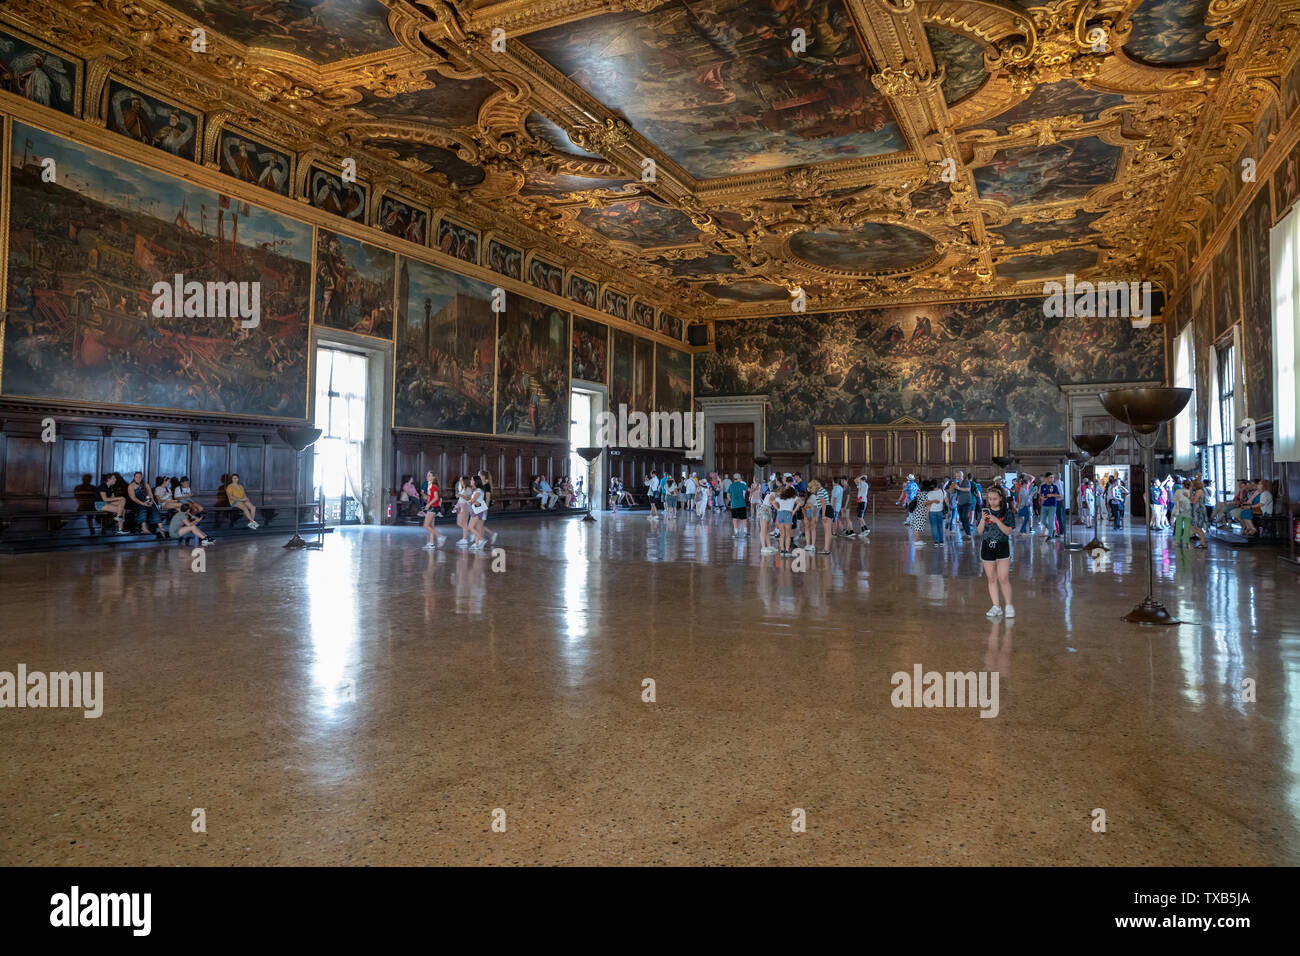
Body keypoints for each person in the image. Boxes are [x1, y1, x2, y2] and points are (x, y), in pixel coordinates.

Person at [977, 487, 1015, 618]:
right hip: (987, 546)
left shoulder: (1008, 513)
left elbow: (1008, 531)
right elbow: (980, 531)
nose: (991, 502)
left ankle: (1009, 605)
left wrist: (997, 520)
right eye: (989, 499)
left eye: (994, 499)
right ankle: (996, 606)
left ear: (1000, 499)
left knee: (1003, 578)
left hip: (1002, 546)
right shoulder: (984, 513)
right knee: (991, 578)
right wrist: (982, 519)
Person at [420, 476, 447, 550]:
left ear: (434, 477)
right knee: (431, 526)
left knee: (426, 525)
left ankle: (440, 536)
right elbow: (431, 497)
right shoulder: (431, 486)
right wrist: (426, 499)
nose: (427, 477)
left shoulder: (433, 487)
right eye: (427, 475)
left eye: (429, 475)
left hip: (433, 507)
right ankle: (431, 544)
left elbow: (436, 497)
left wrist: (428, 504)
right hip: (431, 507)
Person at [775, 485, 798, 555]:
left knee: (782, 534)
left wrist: (777, 509)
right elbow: (800, 503)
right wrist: (794, 511)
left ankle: (782, 550)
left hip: (780, 514)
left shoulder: (780, 497)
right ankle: (787, 550)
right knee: (788, 534)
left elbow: (773, 502)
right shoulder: (793, 497)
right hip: (788, 514)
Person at [1040, 473, 1062, 539]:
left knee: (1051, 521)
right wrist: (1042, 498)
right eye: (1051, 477)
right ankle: (1052, 530)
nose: (1052, 478)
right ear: (1046, 478)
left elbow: (1059, 495)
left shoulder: (1055, 486)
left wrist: (1052, 495)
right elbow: (1040, 495)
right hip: (1044, 505)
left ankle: (1050, 536)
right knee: (1042, 520)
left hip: (1052, 505)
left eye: (1052, 477)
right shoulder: (1043, 486)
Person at [1189, 478, 1210, 549]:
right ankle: (1202, 539)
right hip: (1195, 509)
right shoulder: (1196, 491)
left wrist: (1190, 499)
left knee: (1198, 527)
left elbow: (1194, 501)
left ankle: (1203, 542)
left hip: (1199, 510)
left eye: (1192, 484)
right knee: (1193, 526)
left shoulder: (1199, 491)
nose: (1191, 485)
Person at [924, 478, 945, 547]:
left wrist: (927, 514)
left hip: (932, 512)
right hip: (940, 511)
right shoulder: (943, 491)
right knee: (940, 527)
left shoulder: (930, 493)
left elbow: (927, 504)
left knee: (934, 527)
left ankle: (936, 542)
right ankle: (941, 542)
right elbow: (947, 501)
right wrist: (949, 510)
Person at [1171, 479, 1192, 548]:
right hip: (1188, 511)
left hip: (1179, 511)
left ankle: (1177, 541)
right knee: (1187, 526)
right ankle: (1186, 541)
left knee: (1178, 526)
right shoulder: (1191, 492)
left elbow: (1174, 500)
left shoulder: (1178, 491)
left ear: (1182, 485)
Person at [758, 481, 777, 554]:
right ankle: (763, 547)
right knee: (764, 529)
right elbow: (771, 501)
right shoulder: (773, 493)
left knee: (768, 529)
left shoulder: (773, 493)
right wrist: (778, 507)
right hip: (765, 510)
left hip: (769, 510)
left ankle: (769, 545)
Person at [728, 472, 749, 536]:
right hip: (742, 504)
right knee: (744, 519)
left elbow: (728, 495)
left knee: (735, 519)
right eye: (740, 478)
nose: (740, 479)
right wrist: (754, 489)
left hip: (734, 505)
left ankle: (736, 533)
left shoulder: (731, 486)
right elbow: (749, 490)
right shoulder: (742, 485)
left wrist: (732, 501)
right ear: (738, 479)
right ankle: (745, 532)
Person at [954, 470, 973, 536]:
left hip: (967, 502)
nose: (957, 477)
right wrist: (953, 488)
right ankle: (966, 529)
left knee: (965, 517)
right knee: (961, 519)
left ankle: (969, 533)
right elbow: (955, 493)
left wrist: (958, 488)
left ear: (962, 476)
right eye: (956, 476)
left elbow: (967, 489)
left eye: (959, 476)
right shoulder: (957, 483)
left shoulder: (966, 482)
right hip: (960, 503)